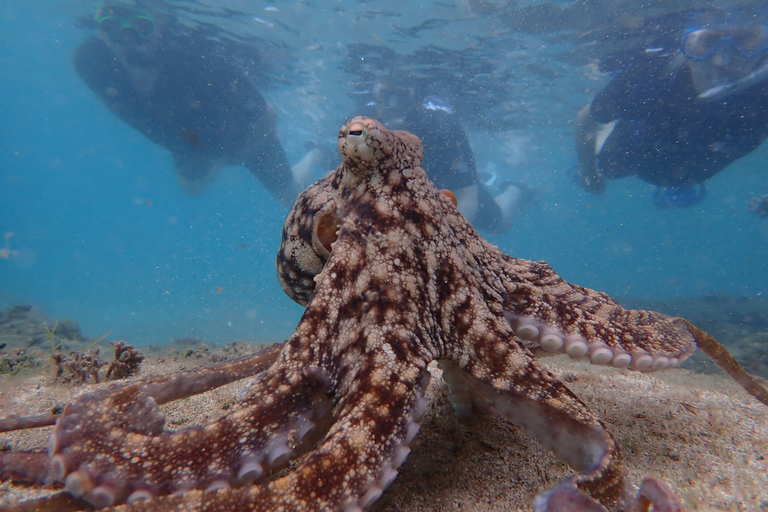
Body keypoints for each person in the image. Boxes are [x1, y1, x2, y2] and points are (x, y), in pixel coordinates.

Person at [74, 3, 319, 206]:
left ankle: (315, 152)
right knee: (191, 188)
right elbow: (128, 114)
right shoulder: (94, 65)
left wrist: (233, 154)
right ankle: (214, 158)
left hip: (246, 133)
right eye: (112, 28)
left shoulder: (198, 60)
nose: (128, 42)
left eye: (141, 28)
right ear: (100, 31)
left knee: (293, 200)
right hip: (192, 139)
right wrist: (208, 154)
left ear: (160, 26)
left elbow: (268, 116)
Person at [574, 8, 768, 210]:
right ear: (687, 45)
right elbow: (586, 118)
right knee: (608, 168)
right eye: (708, 41)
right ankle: (593, 150)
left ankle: (680, 181)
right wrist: (588, 172)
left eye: (745, 39)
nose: (723, 58)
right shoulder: (650, 79)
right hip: (638, 159)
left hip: (693, 171)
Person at [358, 80, 527, 234]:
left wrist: (438, 246)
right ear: (374, 94)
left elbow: (467, 198)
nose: (393, 105)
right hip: (396, 192)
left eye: (402, 96)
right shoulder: (358, 128)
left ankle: (515, 190)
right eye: (385, 94)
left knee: (499, 223)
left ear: (415, 99)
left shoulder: (443, 128)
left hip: (447, 185)